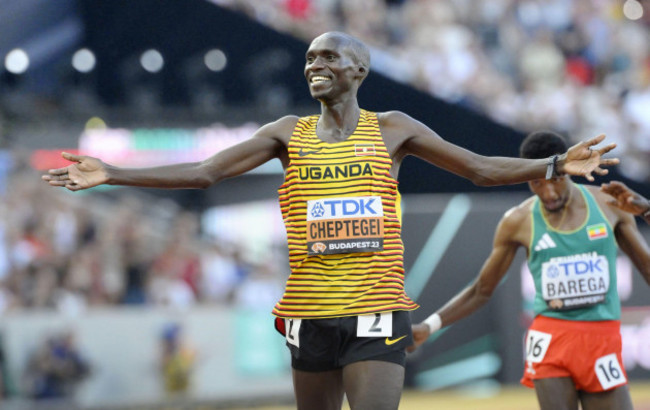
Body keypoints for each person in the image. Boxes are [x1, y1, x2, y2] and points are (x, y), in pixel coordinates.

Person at [43, 32, 618, 410]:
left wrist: (554, 162)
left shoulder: (393, 128)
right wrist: (113, 172)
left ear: (359, 69)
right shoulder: (284, 134)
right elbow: (204, 172)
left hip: (375, 311)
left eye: (327, 57)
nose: (314, 65)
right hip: (309, 313)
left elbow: (479, 169)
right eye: (310, 58)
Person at [410, 131, 650, 410]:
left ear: (570, 172)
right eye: (537, 183)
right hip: (551, 339)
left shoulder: (608, 204)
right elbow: (481, 290)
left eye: (556, 181)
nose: (548, 193)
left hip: (600, 337)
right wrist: (428, 327)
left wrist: (646, 211)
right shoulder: (518, 221)